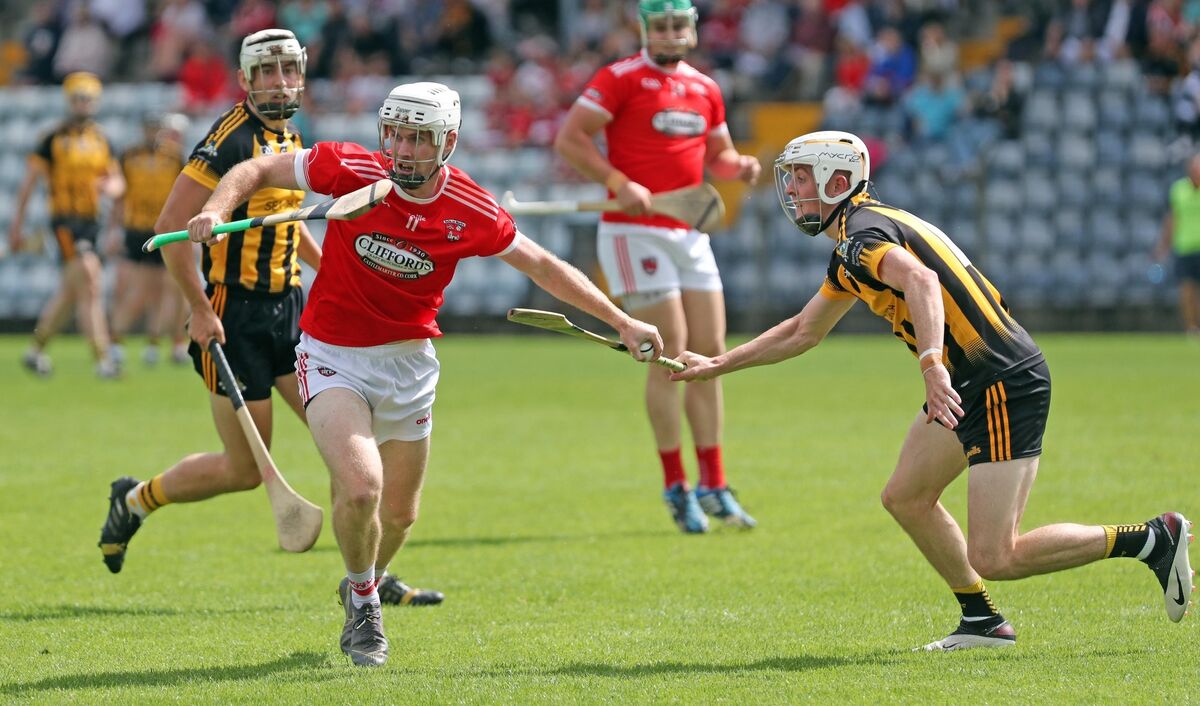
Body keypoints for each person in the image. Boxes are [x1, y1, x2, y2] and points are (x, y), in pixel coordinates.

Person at [184, 81, 667, 666]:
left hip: (409, 363)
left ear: (448, 143)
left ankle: (364, 579)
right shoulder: (349, 168)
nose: (405, 150)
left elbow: (541, 264)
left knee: (401, 515)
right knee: (363, 486)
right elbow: (257, 169)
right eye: (398, 136)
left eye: (420, 139)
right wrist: (214, 207)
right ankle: (365, 606)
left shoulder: (470, 209)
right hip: (331, 354)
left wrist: (622, 321)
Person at [671, 130, 1195, 650]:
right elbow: (802, 331)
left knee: (997, 555)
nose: (792, 191)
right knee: (906, 497)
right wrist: (717, 363)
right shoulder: (857, 241)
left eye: (802, 178)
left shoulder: (863, 238)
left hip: (997, 380)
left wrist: (930, 364)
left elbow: (920, 282)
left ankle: (1152, 539)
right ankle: (982, 622)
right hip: (971, 380)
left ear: (838, 181)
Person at [97, 30, 442, 610]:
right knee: (242, 469)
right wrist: (200, 309)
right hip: (235, 316)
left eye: (289, 69)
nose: (280, 81)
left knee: (349, 454)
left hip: (293, 311)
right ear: (246, 79)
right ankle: (134, 500)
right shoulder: (227, 142)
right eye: (267, 71)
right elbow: (172, 231)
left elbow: (288, 221)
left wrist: (335, 267)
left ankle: (371, 576)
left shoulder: (290, 135)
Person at [554, 0, 761, 534]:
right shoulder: (620, 78)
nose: (672, 34)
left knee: (712, 353)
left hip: (687, 231)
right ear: (645, 29)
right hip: (632, 231)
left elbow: (718, 154)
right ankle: (677, 484)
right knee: (667, 348)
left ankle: (715, 483)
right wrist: (620, 182)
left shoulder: (705, 88)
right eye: (662, 25)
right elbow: (571, 139)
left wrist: (740, 166)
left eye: (679, 24)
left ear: (691, 29)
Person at [9, 71, 124, 379]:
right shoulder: (52, 139)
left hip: (92, 222)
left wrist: (111, 190)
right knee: (90, 278)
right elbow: (28, 184)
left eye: (87, 99)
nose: (82, 105)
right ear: (68, 101)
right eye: (78, 99)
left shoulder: (101, 139)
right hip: (63, 222)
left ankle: (35, 350)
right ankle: (104, 359)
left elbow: (116, 182)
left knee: (73, 292)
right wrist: (16, 228)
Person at [107, 113, 191, 369]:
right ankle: (117, 341)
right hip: (137, 230)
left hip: (166, 229)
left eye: (157, 127)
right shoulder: (129, 156)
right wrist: (114, 229)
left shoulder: (175, 156)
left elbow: (186, 193)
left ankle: (167, 342)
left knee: (174, 288)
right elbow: (119, 196)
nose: (153, 133)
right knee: (141, 290)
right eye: (149, 127)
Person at [1155, 153, 1200, 336]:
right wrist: (1163, 246)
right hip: (1185, 246)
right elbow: (1172, 219)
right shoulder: (1179, 189)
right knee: (1187, 289)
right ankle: (1192, 329)